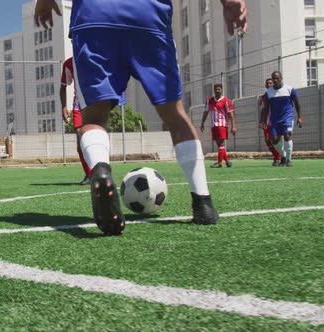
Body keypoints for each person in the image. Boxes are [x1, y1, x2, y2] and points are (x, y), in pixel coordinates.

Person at [34, 0, 248, 234]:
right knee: (175, 116)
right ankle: (203, 202)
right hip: (148, 16)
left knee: (94, 118)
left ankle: (100, 168)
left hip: (94, 16)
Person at [260, 71, 302, 167]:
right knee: (274, 140)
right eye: (274, 78)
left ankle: (289, 160)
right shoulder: (269, 92)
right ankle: (283, 156)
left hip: (287, 118)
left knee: (287, 136)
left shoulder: (290, 89)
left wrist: (300, 117)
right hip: (274, 120)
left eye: (277, 78)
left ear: (281, 78)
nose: (275, 80)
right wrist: (263, 120)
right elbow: (265, 108)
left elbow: (297, 104)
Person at [60, 57, 91, 185]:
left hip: (96, 102)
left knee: (96, 138)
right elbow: (62, 86)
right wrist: (64, 106)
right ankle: (89, 174)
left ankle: (101, 172)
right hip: (79, 105)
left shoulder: (94, 55)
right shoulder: (69, 63)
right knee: (80, 143)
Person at [200, 83, 237, 168]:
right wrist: (202, 122)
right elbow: (206, 112)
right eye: (216, 89)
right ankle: (227, 161)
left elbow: (231, 114)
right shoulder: (209, 100)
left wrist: (233, 126)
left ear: (221, 90)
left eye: (219, 89)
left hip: (222, 125)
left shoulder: (226, 101)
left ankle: (219, 163)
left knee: (220, 144)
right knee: (220, 145)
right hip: (214, 125)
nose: (217, 91)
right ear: (214, 90)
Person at [259, 78, 282, 166]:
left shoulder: (279, 94)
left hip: (276, 122)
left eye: (270, 83)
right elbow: (262, 110)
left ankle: (279, 158)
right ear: (265, 85)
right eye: (267, 83)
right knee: (267, 140)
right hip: (267, 122)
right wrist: (261, 121)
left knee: (276, 140)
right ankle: (277, 156)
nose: (269, 84)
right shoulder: (263, 97)